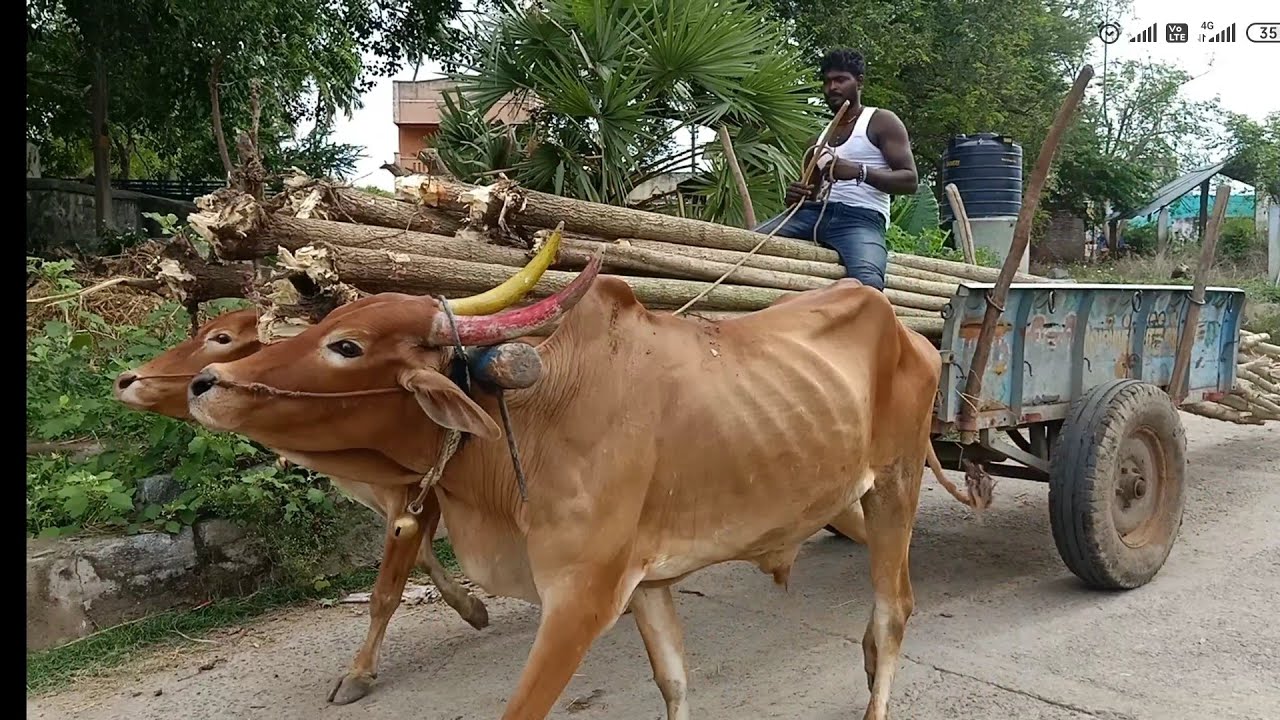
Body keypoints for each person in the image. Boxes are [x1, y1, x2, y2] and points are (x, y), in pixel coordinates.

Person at [755, 48, 919, 291]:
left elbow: (910, 181)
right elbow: (809, 194)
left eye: (841, 80)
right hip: (814, 214)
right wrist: (795, 196)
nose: (832, 87)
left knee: (868, 283)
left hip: (861, 218)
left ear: (859, 82)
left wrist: (859, 172)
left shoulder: (881, 121)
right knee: (745, 243)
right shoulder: (818, 140)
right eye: (827, 81)